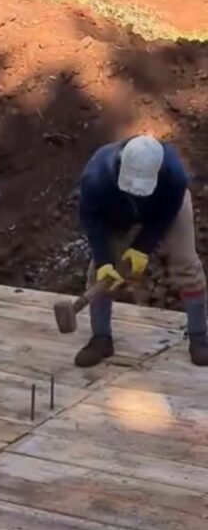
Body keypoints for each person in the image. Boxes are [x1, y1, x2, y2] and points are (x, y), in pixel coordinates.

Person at [76, 134, 207, 368]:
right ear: (120, 166)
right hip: (115, 214)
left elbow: (165, 214)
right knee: (101, 273)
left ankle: (199, 338)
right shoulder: (96, 176)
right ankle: (101, 338)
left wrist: (142, 247)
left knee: (186, 264)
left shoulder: (174, 173)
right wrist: (104, 260)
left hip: (164, 209)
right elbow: (91, 219)